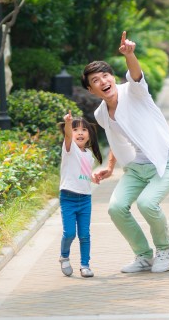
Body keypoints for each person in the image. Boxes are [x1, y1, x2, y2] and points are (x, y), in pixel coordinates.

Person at [85, 31, 169, 274]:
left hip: (166, 160)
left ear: (113, 77)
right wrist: (109, 166)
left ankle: (165, 249)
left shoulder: (134, 91)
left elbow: (136, 75)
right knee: (116, 208)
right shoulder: (100, 113)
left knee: (147, 203)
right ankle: (143, 255)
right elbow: (117, 140)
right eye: (96, 80)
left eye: (106, 75)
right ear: (90, 89)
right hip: (137, 167)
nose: (103, 81)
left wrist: (130, 54)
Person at [58, 110, 103, 278]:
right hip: (68, 198)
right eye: (76, 130)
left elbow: (85, 172)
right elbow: (68, 136)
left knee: (84, 234)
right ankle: (64, 256)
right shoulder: (69, 149)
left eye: (84, 130)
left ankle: (85, 265)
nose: (80, 133)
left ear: (89, 134)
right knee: (70, 233)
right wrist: (68, 123)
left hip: (85, 199)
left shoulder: (88, 154)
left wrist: (94, 177)